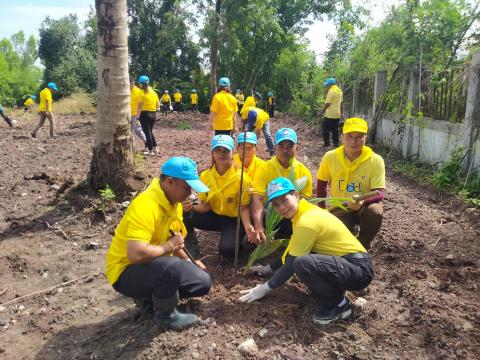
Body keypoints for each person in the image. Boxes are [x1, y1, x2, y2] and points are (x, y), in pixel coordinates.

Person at [239, 177, 374, 326]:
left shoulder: (307, 221)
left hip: (358, 269)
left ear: (296, 195)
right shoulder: (304, 213)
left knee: (302, 263)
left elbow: (291, 264)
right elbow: (292, 250)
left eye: (284, 200)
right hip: (349, 265)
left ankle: (339, 305)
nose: (281, 207)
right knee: (304, 259)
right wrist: (267, 269)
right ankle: (336, 290)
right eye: (276, 205)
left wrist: (265, 288)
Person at [106, 156, 212, 330]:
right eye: (187, 187)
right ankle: (166, 316)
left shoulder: (173, 203)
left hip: (156, 264)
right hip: (126, 271)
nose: (190, 193)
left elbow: (175, 240)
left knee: (202, 281)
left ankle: (153, 298)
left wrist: (188, 261)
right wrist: (169, 247)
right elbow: (136, 254)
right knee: (172, 267)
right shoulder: (146, 206)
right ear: (171, 182)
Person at [316, 117, 385, 249]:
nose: (353, 141)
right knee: (336, 239)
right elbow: (322, 184)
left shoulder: (376, 160)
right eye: (349, 136)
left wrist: (362, 202)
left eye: (359, 137)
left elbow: (380, 193)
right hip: (340, 206)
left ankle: (363, 245)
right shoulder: (330, 157)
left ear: (365, 138)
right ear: (342, 137)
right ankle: (348, 235)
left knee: (375, 211)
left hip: (365, 205)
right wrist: (321, 209)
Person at [183, 135, 254, 258]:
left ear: (233, 152)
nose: (222, 154)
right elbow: (206, 206)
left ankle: (238, 240)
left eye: (226, 150)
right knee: (183, 212)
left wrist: (248, 227)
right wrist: (191, 207)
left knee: (227, 251)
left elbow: (244, 208)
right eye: (218, 150)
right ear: (212, 153)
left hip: (234, 220)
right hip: (214, 215)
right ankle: (190, 242)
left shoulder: (242, 178)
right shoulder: (205, 176)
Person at [251, 128, 313, 243]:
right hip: (270, 214)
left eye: (289, 146)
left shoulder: (303, 171)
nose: (285, 150)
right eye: (281, 146)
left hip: (292, 214)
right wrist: (258, 226)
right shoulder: (264, 169)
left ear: (297, 148)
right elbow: (257, 199)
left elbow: (306, 200)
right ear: (274, 148)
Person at [136, 75, 160, 156]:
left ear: (142, 84)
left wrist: (137, 117)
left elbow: (139, 107)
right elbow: (158, 105)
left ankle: (150, 151)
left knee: (147, 133)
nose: (139, 85)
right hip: (153, 114)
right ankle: (156, 148)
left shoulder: (141, 93)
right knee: (150, 132)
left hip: (144, 114)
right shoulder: (154, 92)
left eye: (139, 83)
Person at [318, 78, 343, 148]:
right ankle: (335, 144)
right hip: (337, 115)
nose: (326, 87)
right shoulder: (340, 91)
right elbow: (341, 103)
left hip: (330, 115)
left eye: (327, 85)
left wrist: (321, 112)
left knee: (325, 130)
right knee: (335, 130)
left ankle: (326, 144)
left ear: (330, 84)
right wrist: (342, 113)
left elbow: (327, 104)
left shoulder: (331, 91)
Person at [129, 78, 147, 152]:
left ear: (133, 83)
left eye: (129, 84)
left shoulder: (139, 91)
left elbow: (142, 104)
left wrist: (139, 115)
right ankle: (132, 149)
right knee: (130, 132)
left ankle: (147, 142)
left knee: (137, 130)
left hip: (135, 114)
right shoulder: (126, 91)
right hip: (127, 114)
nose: (128, 86)